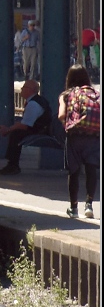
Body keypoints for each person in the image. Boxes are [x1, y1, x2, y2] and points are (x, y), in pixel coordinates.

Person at [58, 64, 99, 219]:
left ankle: (73, 208)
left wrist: (68, 126)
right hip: (94, 136)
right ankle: (89, 205)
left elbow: (61, 115)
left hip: (75, 136)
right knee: (91, 170)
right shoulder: (94, 93)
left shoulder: (66, 95)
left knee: (74, 172)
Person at [0, 79, 52, 176]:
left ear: (30, 90)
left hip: (40, 131)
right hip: (40, 128)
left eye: (24, 87)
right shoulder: (36, 101)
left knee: (16, 134)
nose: (21, 89)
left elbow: (25, 125)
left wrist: (8, 130)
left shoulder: (33, 104)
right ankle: (12, 164)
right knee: (16, 132)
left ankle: (13, 165)